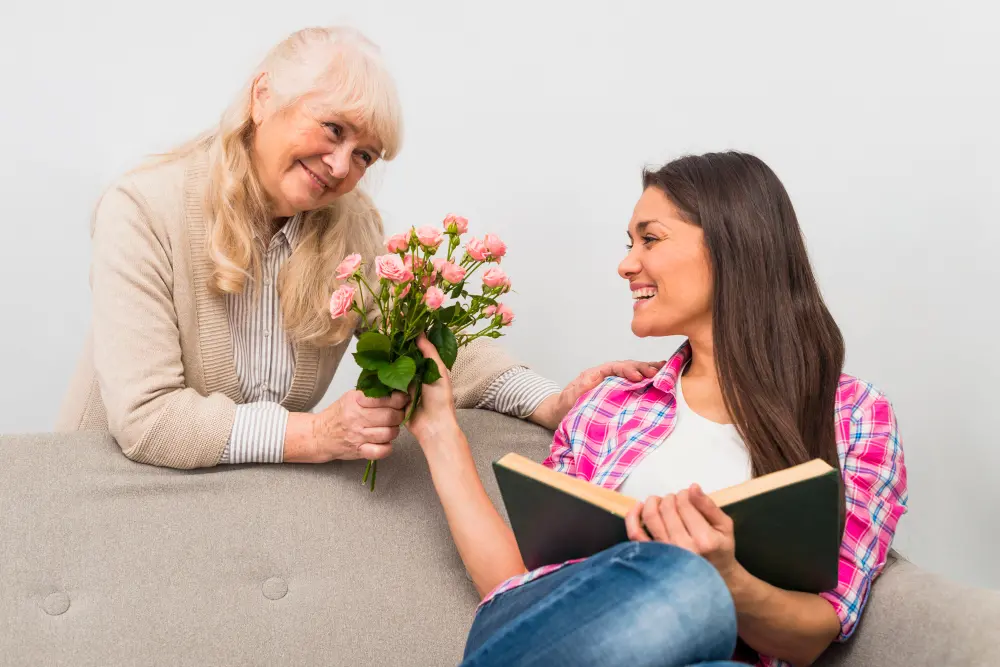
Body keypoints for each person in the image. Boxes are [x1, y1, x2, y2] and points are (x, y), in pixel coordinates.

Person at [55, 26, 660, 469]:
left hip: (240, 495)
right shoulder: (143, 208)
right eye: (333, 129)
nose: (341, 166)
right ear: (263, 97)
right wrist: (315, 434)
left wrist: (552, 403)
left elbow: (431, 344)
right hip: (112, 489)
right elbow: (149, 419)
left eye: (365, 154)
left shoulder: (349, 228)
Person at [406, 151, 908, 667]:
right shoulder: (610, 404)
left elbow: (811, 636)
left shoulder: (854, 416)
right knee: (683, 578)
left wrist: (727, 577)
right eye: (630, 243)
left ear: (733, 246)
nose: (626, 264)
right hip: (547, 632)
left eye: (651, 239)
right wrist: (439, 429)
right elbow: (518, 588)